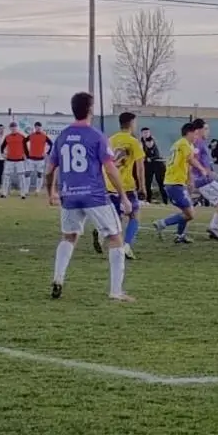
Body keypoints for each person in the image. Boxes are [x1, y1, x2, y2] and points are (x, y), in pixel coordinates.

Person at [45, 92, 133, 302]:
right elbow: (111, 169)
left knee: (69, 237)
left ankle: (58, 278)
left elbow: (49, 169)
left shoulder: (63, 135)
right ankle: (115, 291)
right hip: (94, 195)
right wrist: (123, 196)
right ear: (91, 109)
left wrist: (51, 193)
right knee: (115, 238)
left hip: (69, 195)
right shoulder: (96, 136)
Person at [94, 112, 145, 258]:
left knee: (116, 216)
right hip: (126, 185)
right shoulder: (134, 142)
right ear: (131, 123)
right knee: (134, 215)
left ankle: (101, 231)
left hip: (110, 184)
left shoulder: (110, 140)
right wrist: (142, 187)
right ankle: (126, 245)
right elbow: (140, 167)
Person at [153, 123, 202, 244]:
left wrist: (189, 180)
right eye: (195, 134)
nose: (196, 136)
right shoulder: (184, 144)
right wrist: (202, 169)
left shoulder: (180, 144)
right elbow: (190, 160)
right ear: (189, 133)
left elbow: (186, 163)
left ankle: (180, 235)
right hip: (174, 183)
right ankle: (162, 223)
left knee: (186, 211)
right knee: (190, 214)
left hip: (176, 182)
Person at [193, 120, 218, 240]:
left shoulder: (201, 143)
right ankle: (214, 227)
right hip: (203, 180)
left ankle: (215, 228)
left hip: (204, 179)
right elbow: (193, 160)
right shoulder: (197, 144)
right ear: (198, 130)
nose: (208, 132)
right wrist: (205, 172)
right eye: (206, 129)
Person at [140, 127, 168, 205]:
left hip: (157, 165)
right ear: (142, 134)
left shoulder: (153, 141)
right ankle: (147, 200)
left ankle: (165, 201)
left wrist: (150, 158)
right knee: (147, 183)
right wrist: (146, 159)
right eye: (144, 133)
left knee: (161, 184)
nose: (146, 134)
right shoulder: (140, 143)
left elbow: (157, 155)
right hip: (147, 166)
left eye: (147, 132)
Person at [1, 122, 28, 199]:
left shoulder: (22, 136)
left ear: (17, 128)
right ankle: (4, 193)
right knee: (6, 177)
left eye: (15, 127)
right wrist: (3, 154)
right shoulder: (7, 137)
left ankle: (23, 194)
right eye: (12, 127)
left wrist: (26, 155)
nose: (13, 129)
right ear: (10, 128)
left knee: (21, 177)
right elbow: (2, 147)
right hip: (9, 160)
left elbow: (26, 147)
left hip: (20, 160)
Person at [25, 122, 53, 198]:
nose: (38, 128)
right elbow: (24, 141)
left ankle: (37, 190)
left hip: (40, 159)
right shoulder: (31, 135)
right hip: (31, 158)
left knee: (39, 175)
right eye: (37, 127)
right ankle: (26, 190)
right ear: (35, 127)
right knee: (27, 174)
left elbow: (51, 144)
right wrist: (27, 153)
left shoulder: (44, 136)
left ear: (41, 128)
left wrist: (47, 153)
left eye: (39, 127)